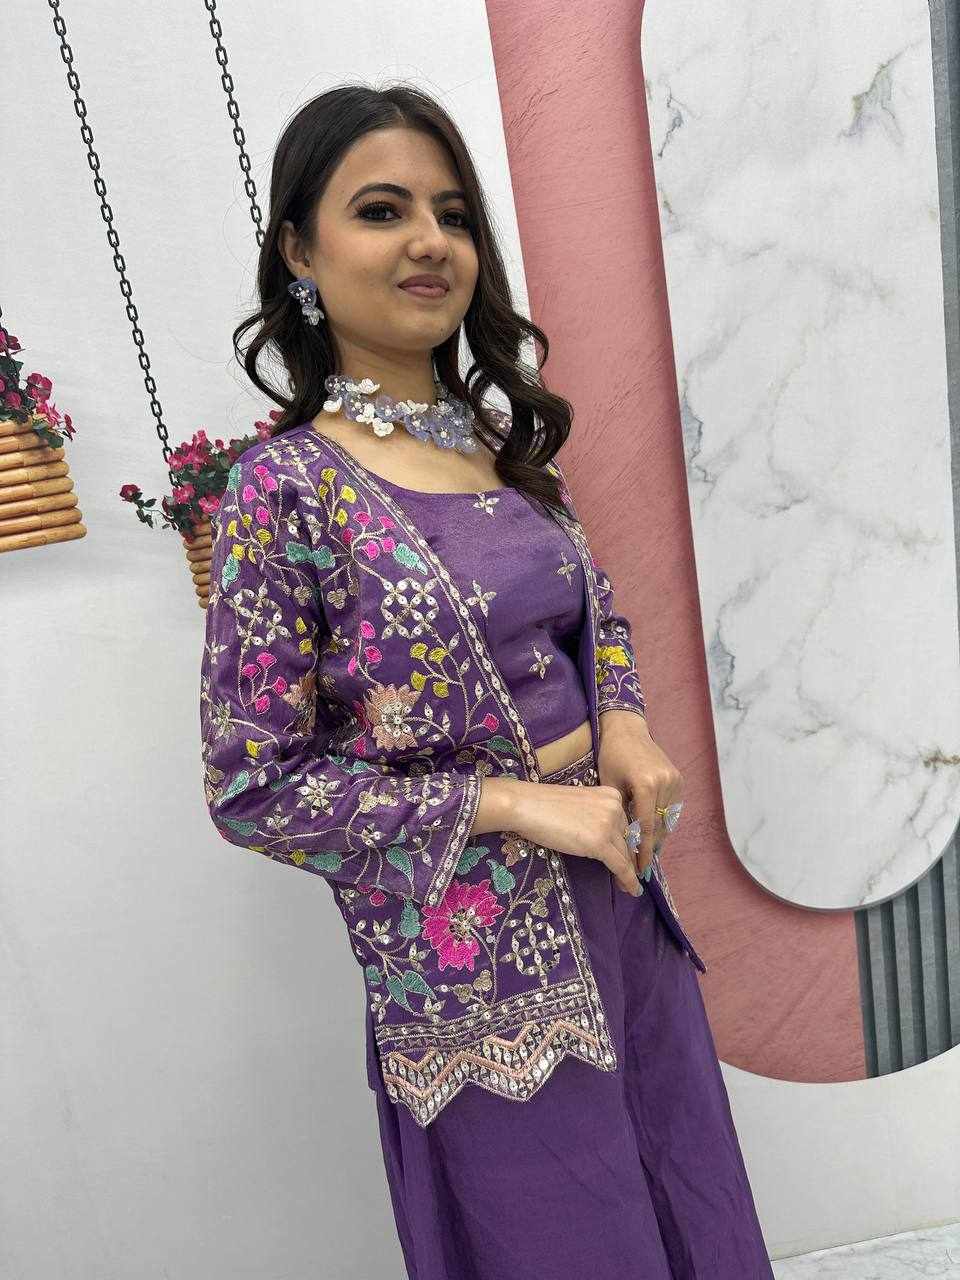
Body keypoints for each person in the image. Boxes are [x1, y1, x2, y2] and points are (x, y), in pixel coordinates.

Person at [200, 82, 775, 1279]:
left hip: (622, 905)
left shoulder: (494, 446)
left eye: (452, 214)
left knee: (691, 1201)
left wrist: (624, 722)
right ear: (300, 250)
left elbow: (596, 614)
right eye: (382, 210)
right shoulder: (282, 491)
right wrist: (513, 803)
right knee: (568, 1241)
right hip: (476, 967)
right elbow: (256, 788)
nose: (430, 242)